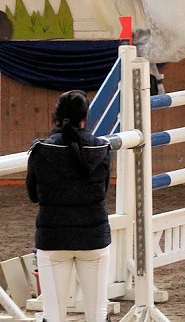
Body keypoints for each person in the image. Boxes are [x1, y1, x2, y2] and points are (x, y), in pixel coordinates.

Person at [26, 90, 112, 322]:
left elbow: (33, 195)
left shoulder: (41, 151)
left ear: (55, 118)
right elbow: (102, 190)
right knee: (98, 314)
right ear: (85, 119)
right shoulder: (101, 149)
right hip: (93, 238)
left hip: (53, 239)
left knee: (53, 316)